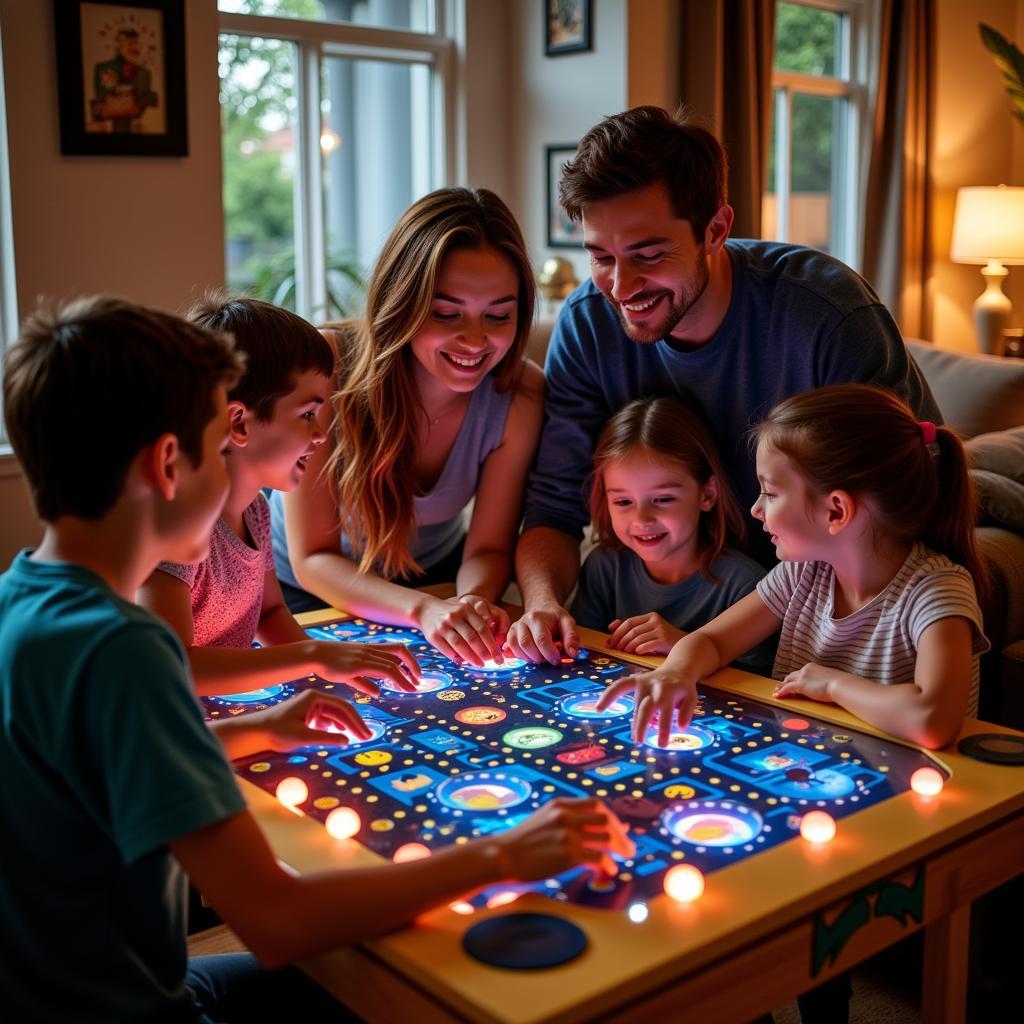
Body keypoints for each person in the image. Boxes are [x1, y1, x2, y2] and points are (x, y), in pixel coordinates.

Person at [0, 296, 616, 1023]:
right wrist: (504, 856)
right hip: (135, 1013)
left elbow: (102, 768)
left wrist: (264, 728)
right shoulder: (123, 647)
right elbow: (278, 920)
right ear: (169, 463)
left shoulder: (24, 598)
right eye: (213, 443)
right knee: (437, 989)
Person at [506, 105, 941, 666]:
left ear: (716, 230)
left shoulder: (826, 316)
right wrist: (541, 604)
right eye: (600, 256)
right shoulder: (588, 323)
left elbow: (893, 511)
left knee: (996, 482)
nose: (621, 285)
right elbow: (554, 504)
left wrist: (714, 640)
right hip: (709, 601)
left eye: (648, 254)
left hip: (796, 586)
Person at [598, 384, 989, 752]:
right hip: (806, 765)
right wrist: (676, 671)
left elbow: (933, 719)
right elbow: (714, 642)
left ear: (836, 510)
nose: (755, 510)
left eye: (770, 493)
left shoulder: (938, 590)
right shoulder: (804, 574)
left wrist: (833, 684)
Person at [273, 187, 545, 668]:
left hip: (435, 583)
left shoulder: (520, 394)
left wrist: (470, 602)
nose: (476, 340)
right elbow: (312, 557)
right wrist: (423, 611)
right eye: (447, 313)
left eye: (498, 315)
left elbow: (486, 547)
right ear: (403, 303)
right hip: (304, 592)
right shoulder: (324, 365)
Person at [138, 294, 418, 699]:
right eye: (307, 415)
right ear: (238, 423)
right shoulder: (174, 522)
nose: (321, 434)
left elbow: (270, 614)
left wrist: (336, 667)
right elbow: (174, 667)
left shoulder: (255, 508)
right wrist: (313, 658)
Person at [570, 397, 773, 674]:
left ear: (707, 494)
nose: (642, 519)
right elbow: (583, 657)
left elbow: (759, 690)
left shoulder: (748, 587)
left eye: (663, 499)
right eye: (623, 502)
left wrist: (684, 646)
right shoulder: (604, 568)